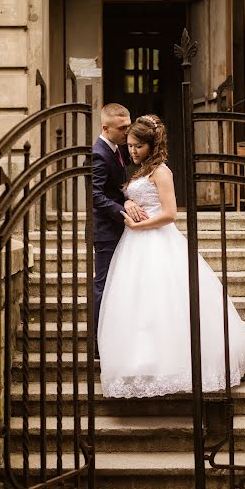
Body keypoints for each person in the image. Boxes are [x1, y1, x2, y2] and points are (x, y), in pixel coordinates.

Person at [97, 114, 245, 397]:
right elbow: (130, 195)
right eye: (130, 146)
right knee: (137, 305)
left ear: (151, 145)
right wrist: (130, 201)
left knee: (164, 303)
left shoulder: (161, 171)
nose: (132, 151)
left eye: (138, 147)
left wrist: (138, 225)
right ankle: (140, 363)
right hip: (134, 244)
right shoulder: (140, 171)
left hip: (155, 239)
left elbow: (170, 214)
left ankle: (173, 365)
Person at [92, 103, 147, 353]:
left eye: (129, 125)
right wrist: (123, 211)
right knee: (103, 285)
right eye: (123, 128)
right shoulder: (99, 153)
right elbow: (95, 195)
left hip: (117, 228)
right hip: (106, 230)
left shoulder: (115, 149)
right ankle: (97, 343)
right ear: (106, 127)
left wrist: (127, 196)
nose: (128, 132)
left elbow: (114, 188)